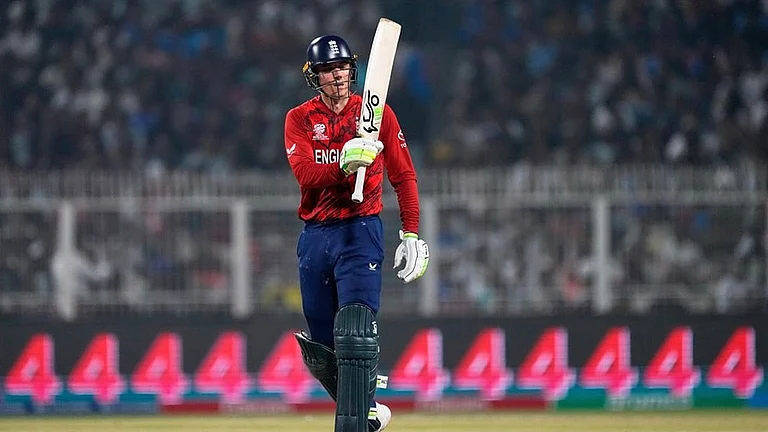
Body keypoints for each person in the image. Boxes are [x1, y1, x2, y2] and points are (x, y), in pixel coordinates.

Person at [284, 34, 429, 432]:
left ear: (353, 67)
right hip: (315, 235)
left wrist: (411, 233)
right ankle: (369, 410)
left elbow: (404, 175)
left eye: (343, 66)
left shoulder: (378, 114)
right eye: (328, 70)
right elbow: (305, 175)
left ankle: (354, 422)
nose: (337, 76)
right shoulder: (299, 119)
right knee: (321, 350)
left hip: (359, 229)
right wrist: (344, 165)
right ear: (314, 76)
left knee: (354, 332)